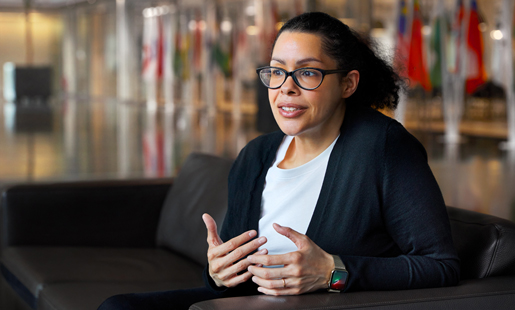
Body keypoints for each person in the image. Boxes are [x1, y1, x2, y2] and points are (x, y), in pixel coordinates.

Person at [98, 11, 459, 310]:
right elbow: (230, 284)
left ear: (348, 84)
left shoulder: (383, 146)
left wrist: (334, 272)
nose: (286, 87)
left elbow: (441, 266)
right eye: (276, 71)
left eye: (307, 72)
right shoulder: (256, 155)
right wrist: (219, 273)